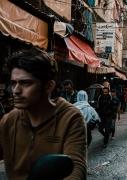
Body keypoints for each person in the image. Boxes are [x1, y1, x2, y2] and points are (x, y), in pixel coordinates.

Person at [0, 48, 87, 179]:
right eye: (13, 83)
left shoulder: (71, 118)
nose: (16, 90)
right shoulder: (9, 121)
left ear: (48, 86)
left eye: (25, 83)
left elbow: (76, 168)